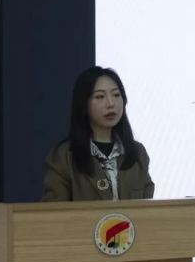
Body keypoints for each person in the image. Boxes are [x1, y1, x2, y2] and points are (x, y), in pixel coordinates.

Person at [42, 66, 154, 201]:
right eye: (100, 96)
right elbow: (54, 210)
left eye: (116, 95)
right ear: (84, 104)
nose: (111, 103)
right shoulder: (63, 156)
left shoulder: (138, 153)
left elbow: (149, 208)